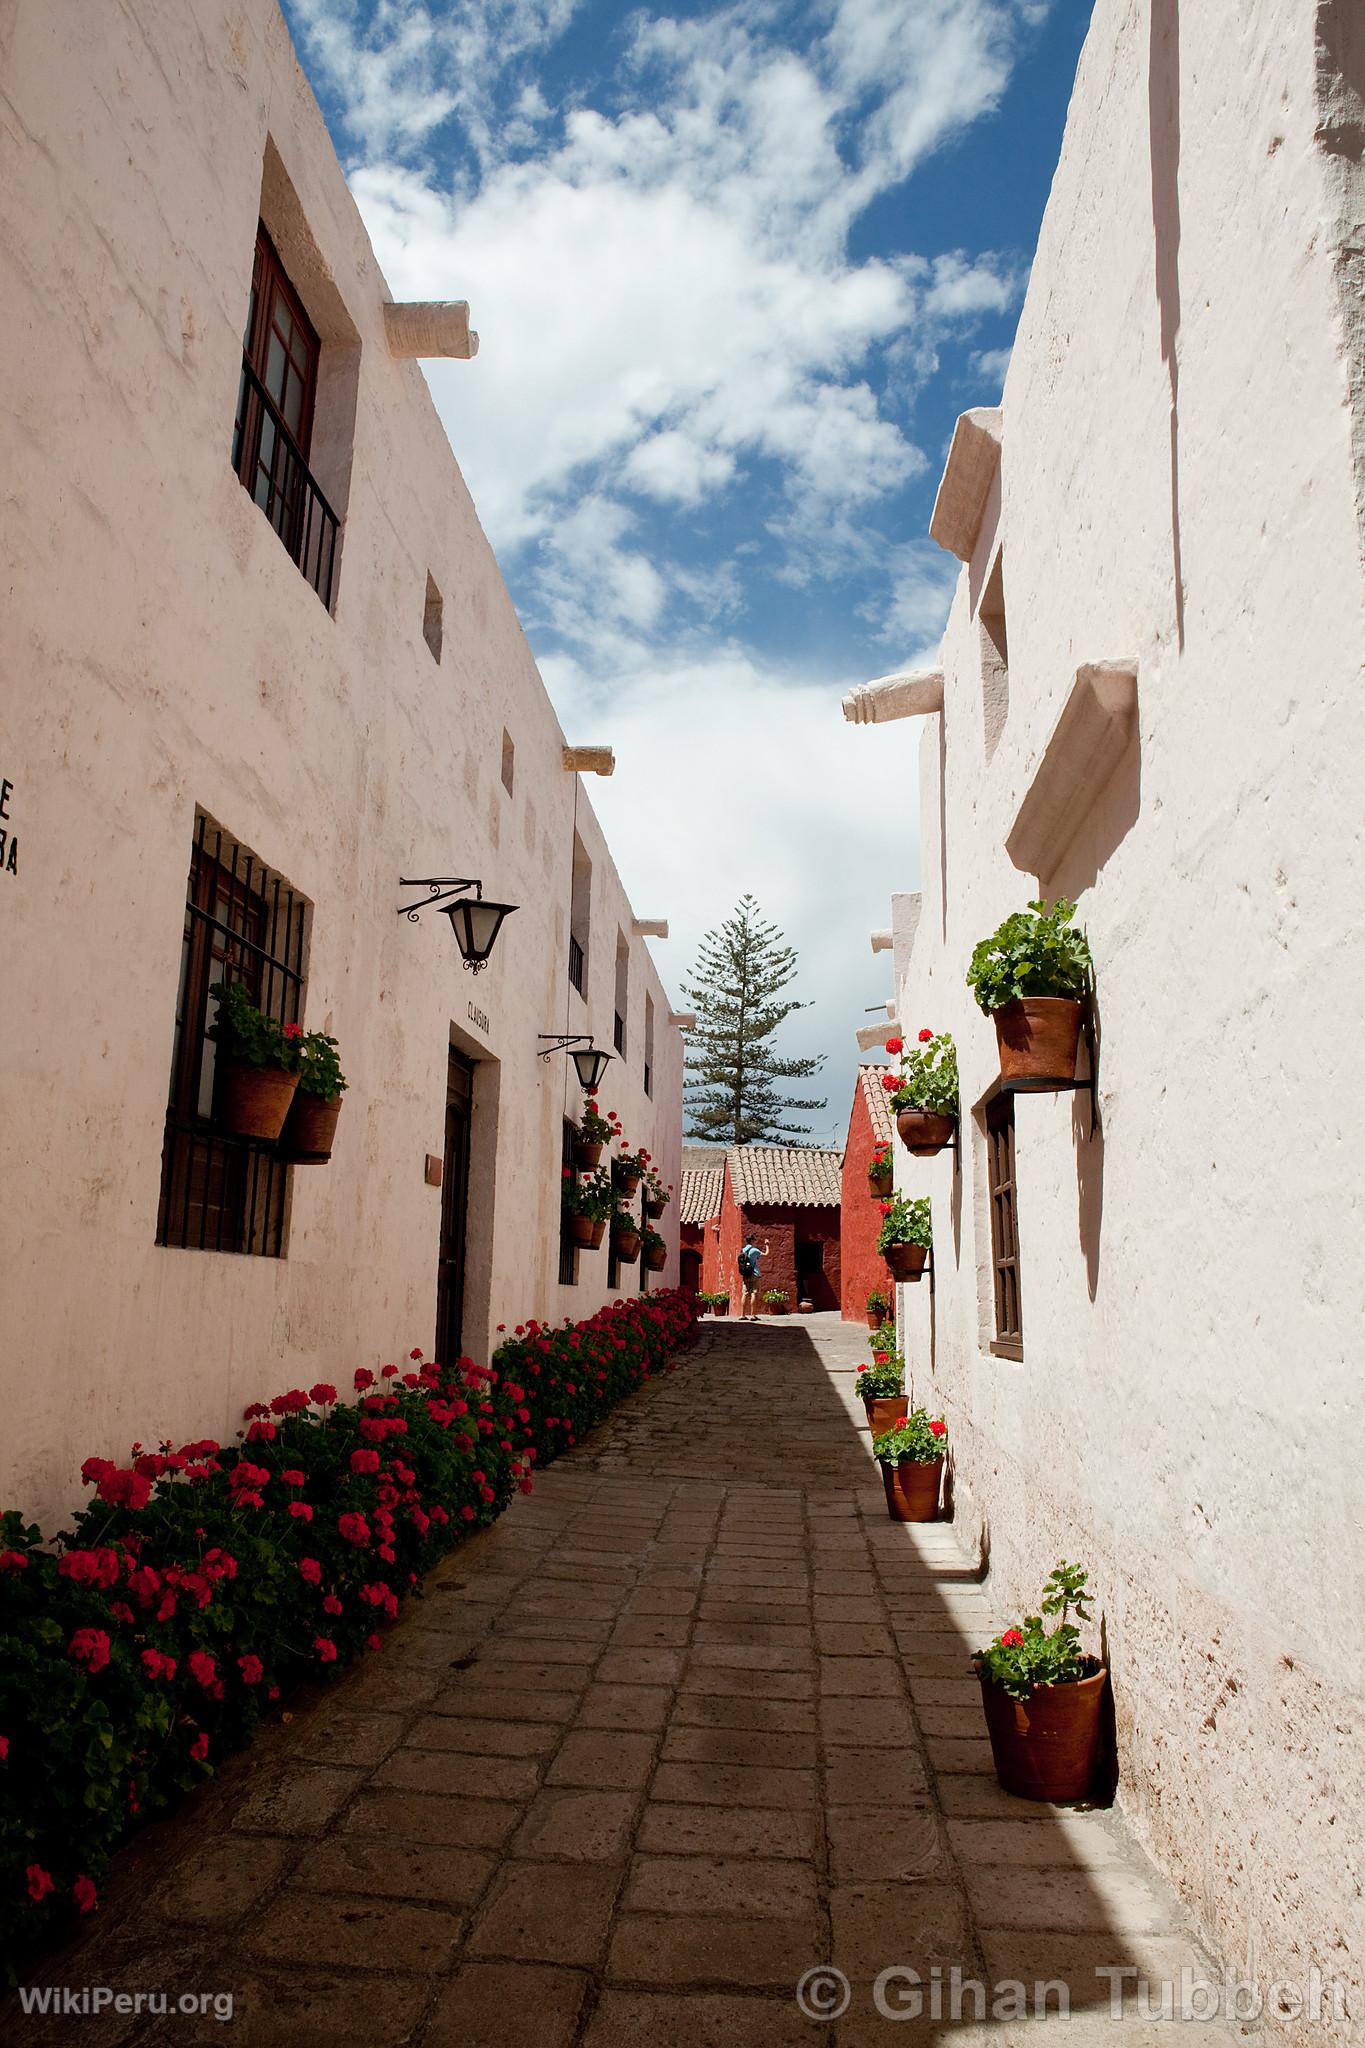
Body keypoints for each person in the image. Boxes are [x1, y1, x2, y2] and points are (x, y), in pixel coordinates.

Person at [736, 1233, 771, 1321]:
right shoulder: (754, 1250)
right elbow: (766, 1254)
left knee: (745, 1293)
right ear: (751, 1241)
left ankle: (742, 1314)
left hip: (745, 1274)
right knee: (753, 1293)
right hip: (754, 1273)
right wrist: (767, 1245)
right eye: (754, 1240)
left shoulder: (743, 1250)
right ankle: (753, 1315)